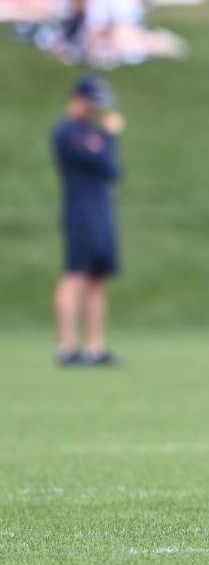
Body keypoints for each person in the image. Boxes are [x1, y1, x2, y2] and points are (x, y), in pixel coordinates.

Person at [52, 76, 124, 366]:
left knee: (98, 278)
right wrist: (108, 136)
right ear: (79, 99)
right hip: (80, 212)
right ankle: (67, 347)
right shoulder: (67, 132)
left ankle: (96, 347)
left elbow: (112, 169)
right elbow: (97, 160)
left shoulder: (94, 134)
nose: (96, 110)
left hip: (102, 211)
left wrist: (106, 139)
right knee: (76, 274)